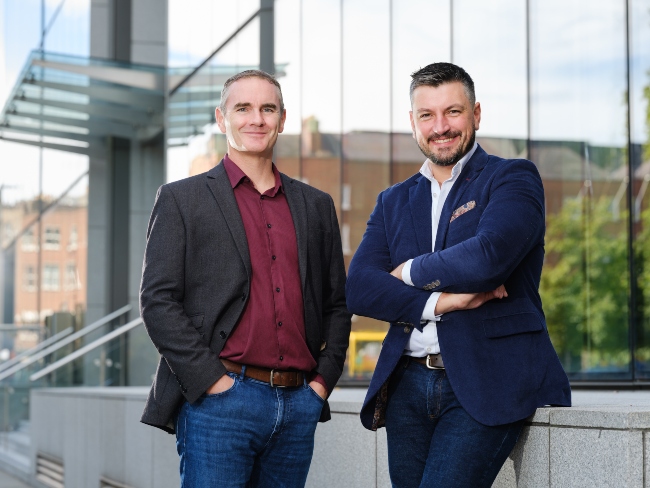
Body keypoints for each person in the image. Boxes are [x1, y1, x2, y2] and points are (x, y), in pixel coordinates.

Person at [346, 62, 571, 487]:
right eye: (427, 115)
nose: (440, 127)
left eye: (453, 112)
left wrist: (408, 271)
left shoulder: (512, 178)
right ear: (412, 123)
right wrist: (442, 301)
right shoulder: (393, 200)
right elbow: (358, 288)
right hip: (407, 384)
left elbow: (488, 257)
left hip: (487, 379)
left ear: (476, 114)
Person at [139, 69, 351, 488]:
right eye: (244, 108)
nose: (257, 119)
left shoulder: (316, 206)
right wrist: (213, 382)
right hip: (220, 403)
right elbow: (158, 302)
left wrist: (321, 385)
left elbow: (337, 305)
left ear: (282, 119)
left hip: (298, 403)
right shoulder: (182, 200)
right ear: (222, 118)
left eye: (267, 108)